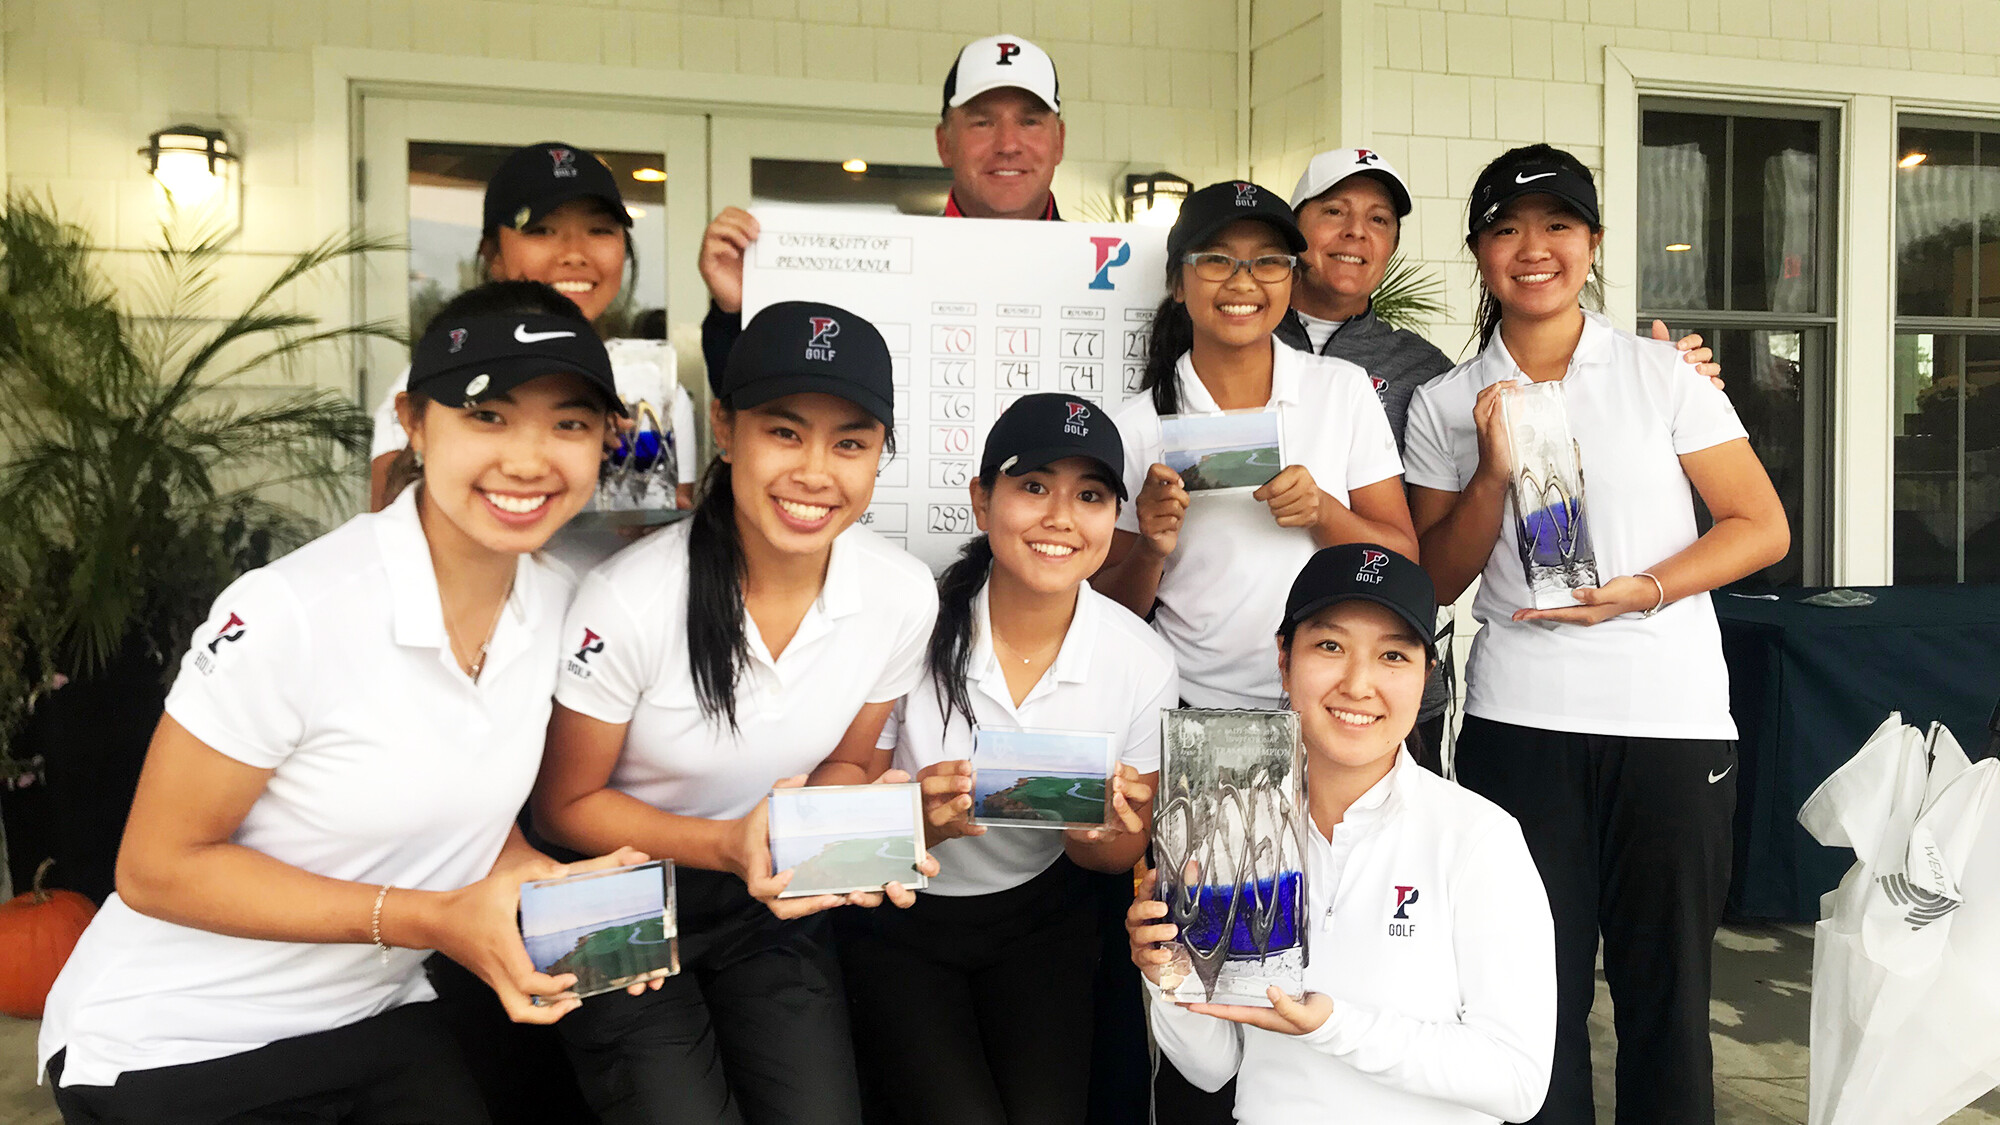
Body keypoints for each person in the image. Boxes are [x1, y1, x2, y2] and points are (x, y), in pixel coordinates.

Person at [38, 281, 642, 1124]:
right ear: (415, 422)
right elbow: (154, 867)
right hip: (177, 1038)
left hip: (370, 1016)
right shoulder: (295, 611)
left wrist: (553, 887)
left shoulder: (555, 604)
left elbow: (466, 806)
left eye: (569, 423)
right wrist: (433, 917)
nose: (530, 458)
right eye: (488, 416)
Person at [1400, 144, 1790, 1125]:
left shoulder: (1660, 372)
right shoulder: (1445, 403)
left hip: (1670, 723)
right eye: (1504, 229)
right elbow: (1432, 580)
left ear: (1593, 243)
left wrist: (1642, 591)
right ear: (1478, 252)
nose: (1532, 249)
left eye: (1555, 227)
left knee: (1667, 999)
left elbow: (1759, 525)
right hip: (1518, 722)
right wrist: (1490, 471)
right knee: (1534, 993)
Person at [531, 301, 940, 1125]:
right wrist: (727, 842)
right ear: (726, 426)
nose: (816, 472)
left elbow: (846, 764)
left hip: (766, 894)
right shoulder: (632, 598)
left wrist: (850, 842)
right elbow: (561, 807)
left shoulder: (900, 595)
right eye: (785, 432)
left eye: (850, 442)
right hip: (610, 888)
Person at [1281, 147, 1727, 767]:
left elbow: (1422, 565)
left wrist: (1676, 377)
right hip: (1231, 663)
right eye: (1334, 211)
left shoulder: (1422, 374)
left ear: (1593, 243)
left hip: (1379, 684)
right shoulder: (1235, 342)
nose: (1358, 232)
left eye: (1380, 219)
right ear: (1293, 227)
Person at [1126, 543, 1557, 1124]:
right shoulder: (1229, 831)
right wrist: (1169, 971)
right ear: (1285, 658)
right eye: (1330, 646)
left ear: (1427, 674)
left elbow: (1518, 1081)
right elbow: (1213, 1068)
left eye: (1393, 657)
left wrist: (1331, 1025)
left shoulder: (1479, 839)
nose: (1358, 684)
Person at [839, 393, 1175, 1125]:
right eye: (1033, 486)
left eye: (1090, 495)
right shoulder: (912, 630)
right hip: (904, 927)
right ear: (982, 501)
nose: (1060, 516)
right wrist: (912, 821)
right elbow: (844, 833)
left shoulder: (1140, 660)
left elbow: (1117, 856)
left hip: (1041, 923)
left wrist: (1098, 834)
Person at [1094, 178, 1417, 713]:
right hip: (1186, 704)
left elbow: (1403, 559)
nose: (1243, 283)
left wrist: (1324, 513)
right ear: (1178, 283)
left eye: (1268, 262)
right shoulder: (1137, 425)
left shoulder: (1342, 390)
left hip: (1327, 704)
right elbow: (1105, 609)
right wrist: (1151, 547)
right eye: (1217, 261)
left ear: (1290, 280)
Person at [697, 33, 1066, 386]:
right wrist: (735, 312)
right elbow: (750, 401)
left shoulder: (1114, 278)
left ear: (1059, 142)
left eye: (1030, 121)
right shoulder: (881, 270)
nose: (1007, 144)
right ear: (944, 143)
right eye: (982, 122)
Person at [370, 141, 698, 532]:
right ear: (493, 254)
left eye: (599, 230)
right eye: (541, 230)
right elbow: (392, 539)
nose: (575, 254)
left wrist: (653, 517)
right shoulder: (442, 377)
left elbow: (662, 535)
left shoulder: (655, 391)